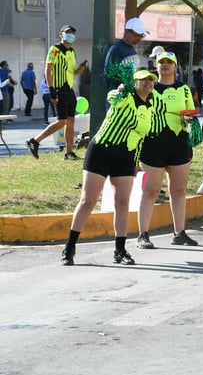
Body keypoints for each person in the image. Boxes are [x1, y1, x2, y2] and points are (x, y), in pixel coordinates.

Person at [60, 70, 158, 266]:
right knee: (88, 200)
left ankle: (120, 251)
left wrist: (136, 163)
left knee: (122, 203)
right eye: (144, 79)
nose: (148, 82)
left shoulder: (150, 107)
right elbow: (112, 97)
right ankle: (69, 247)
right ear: (134, 82)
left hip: (126, 156)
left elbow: (140, 138)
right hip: (102, 150)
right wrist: (120, 91)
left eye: (151, 80)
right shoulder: (124, 97)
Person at [136, 51, 198, 248]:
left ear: (175, 67)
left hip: (179, 144)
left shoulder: (184, 89)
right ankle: (143, 234)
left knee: (178, 190)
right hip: (152, 144)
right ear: (156, 65)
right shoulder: (148, 87)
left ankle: (179, 232)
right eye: (161, 62)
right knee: (151, 191)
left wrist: (190, 117)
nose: (165, 65)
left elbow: (192, 113)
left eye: (169, 62)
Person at [27, 25, 87, 160]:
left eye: (73, 33)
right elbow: (48, 70)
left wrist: (80, 69)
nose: (71, 35)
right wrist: (52, 90)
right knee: (62, 121)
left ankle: (69, 152)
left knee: (71, 121)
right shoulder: (55, 50)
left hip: (69, 90)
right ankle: (35, 141)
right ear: (61, 35)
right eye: (68, 33)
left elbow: (72, 72)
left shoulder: (72, 51)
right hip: (59, 90)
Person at [104, 18, 147, 92]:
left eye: (141, 36)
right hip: (117, 97)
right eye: (136, 35)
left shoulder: (132, 50)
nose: (139, 39)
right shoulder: (116, 49)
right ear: (126, 32)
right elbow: (108, 74)